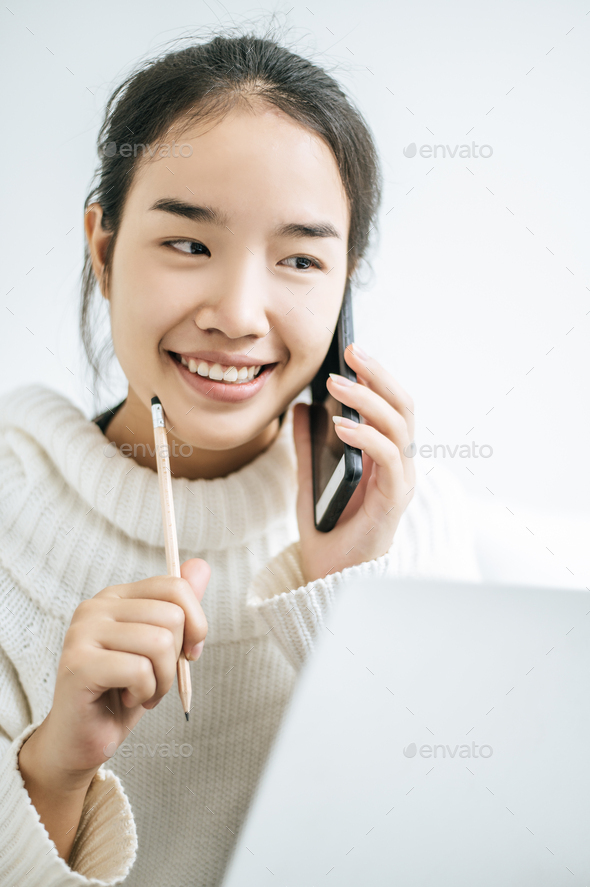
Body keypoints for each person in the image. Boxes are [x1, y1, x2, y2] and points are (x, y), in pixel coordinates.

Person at [0, 22, 482, 887]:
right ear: (104, 249)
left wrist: (351, 598)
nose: (239, 312)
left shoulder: (416, 519)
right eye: (189, 243)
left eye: (299, 258)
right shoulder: (10, 495)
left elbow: (467, 846)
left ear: (343, 283)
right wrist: (55, 770)